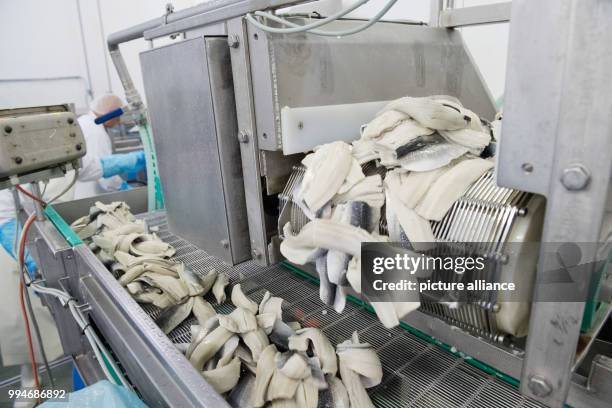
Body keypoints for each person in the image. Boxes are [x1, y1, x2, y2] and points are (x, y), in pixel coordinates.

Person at [0, 93, 146, 406]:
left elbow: (89, 167)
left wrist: (137, 160)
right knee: (33, 348)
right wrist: (26, 254)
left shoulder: (62, 148)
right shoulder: (13, 161)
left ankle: (45, 392)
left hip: (29, 234)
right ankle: (29, 398)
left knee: (53, 342)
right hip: (10, 252)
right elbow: (7, 212)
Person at [74, 93, 146, 199]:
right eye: (117, 117)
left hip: (84, 188)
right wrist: (123, 187)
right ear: (110, 113)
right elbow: (102, 174)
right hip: (89, 193)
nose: (119, 121)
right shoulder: (95, 132)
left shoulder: (86, 120)